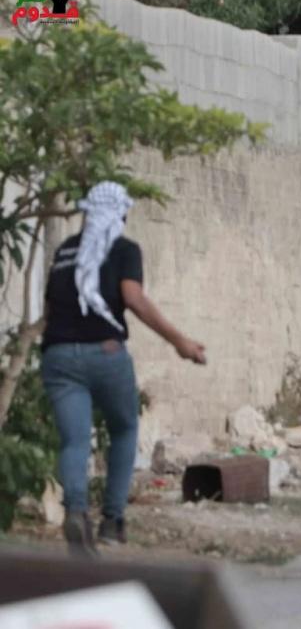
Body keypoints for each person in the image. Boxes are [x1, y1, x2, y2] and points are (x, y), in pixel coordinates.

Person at [41, 182, 206, 557]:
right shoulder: (124, 250)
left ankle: (76, 511)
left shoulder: (65, 251)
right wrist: (179, 341)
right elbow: (133, 298)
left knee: (74, 441)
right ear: (120, 213)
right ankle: (112, 521)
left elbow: (49, 309)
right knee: (125, 429)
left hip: (59, 356)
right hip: (106, 353)